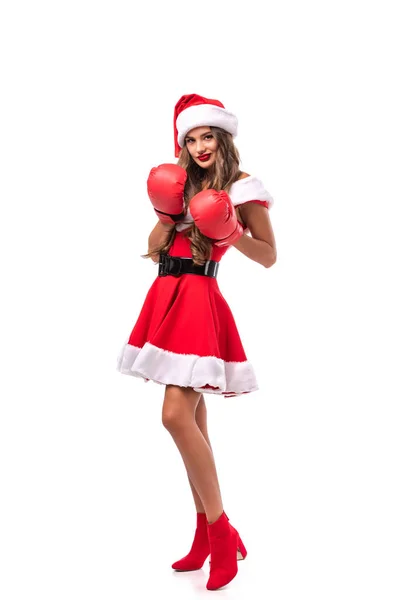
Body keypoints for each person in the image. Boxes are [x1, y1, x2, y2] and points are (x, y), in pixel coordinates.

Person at [116, 93, 277, 591]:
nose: (200, 145)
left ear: (222, 138)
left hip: (198, 301)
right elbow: (151, 248)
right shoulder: (179, 185)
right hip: (164, 294)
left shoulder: (241, 188)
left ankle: (221, 531)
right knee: (193, 427)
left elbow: (269, 256)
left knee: (173, 415)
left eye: (207, 135)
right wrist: (167, 215)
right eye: (191, 138)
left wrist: (229, 232)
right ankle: (206, 535)